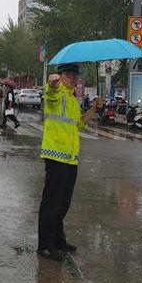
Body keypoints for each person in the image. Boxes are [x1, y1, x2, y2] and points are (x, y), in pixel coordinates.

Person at [37, 63, 103, 261]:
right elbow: (50, 95)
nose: (73, 78)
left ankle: (58, 240)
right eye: (68, 75)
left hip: (71, 157)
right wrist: (52, 84)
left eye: (75, 75)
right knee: (51, 203)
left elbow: (78, 124)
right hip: (56, 154)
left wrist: (93, 109)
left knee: (63, 203)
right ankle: (45, 245)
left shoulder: (73, 98)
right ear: (60, 76)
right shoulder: (57, 94)